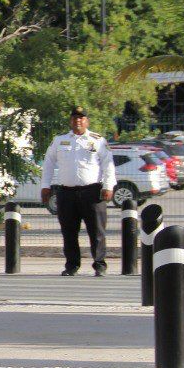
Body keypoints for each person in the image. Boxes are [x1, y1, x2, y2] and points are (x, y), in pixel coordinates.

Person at [40, 106, 116, 276]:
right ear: (70, 121)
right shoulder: (60, 141)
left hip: (92, 192)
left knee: (96, 231)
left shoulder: (98, 140)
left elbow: (108, 165)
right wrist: (45, 185)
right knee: (69, 231)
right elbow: (49, 163)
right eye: (75, 118)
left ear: (87, 121)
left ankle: (99, 265)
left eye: (81, 118)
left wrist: (108, 186)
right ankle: (72, 265)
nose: (78, 121)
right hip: (66, 193)